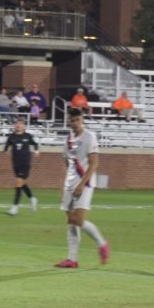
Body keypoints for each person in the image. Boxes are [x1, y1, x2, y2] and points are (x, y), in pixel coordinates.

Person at [55, 109, 110, 268]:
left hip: (85, 183)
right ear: (68, 121)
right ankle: (72, 259)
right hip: (70, 184)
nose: (75, 123)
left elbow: (94, 163)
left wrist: (80, 184)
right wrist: (64, 187)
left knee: (78, 220)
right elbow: (67, 165)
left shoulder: (89, 137)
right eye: (72, 120)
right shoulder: (67, 140)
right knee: (71, 221)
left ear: (82, 120)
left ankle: (102, 244)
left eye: (78, 119)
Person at [3, 119, 39, 215]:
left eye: (20, 124)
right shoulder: (11, 137)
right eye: (17, 123)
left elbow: (35, 144)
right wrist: (6, 150)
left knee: (18, 184)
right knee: (22, 184)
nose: (18, 125)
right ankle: (32, 198)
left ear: (24, 126)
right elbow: (6, 146)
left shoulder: (28, 136)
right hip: (16, 164)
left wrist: (36, 151)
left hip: (25, 164)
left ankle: (15, 208)